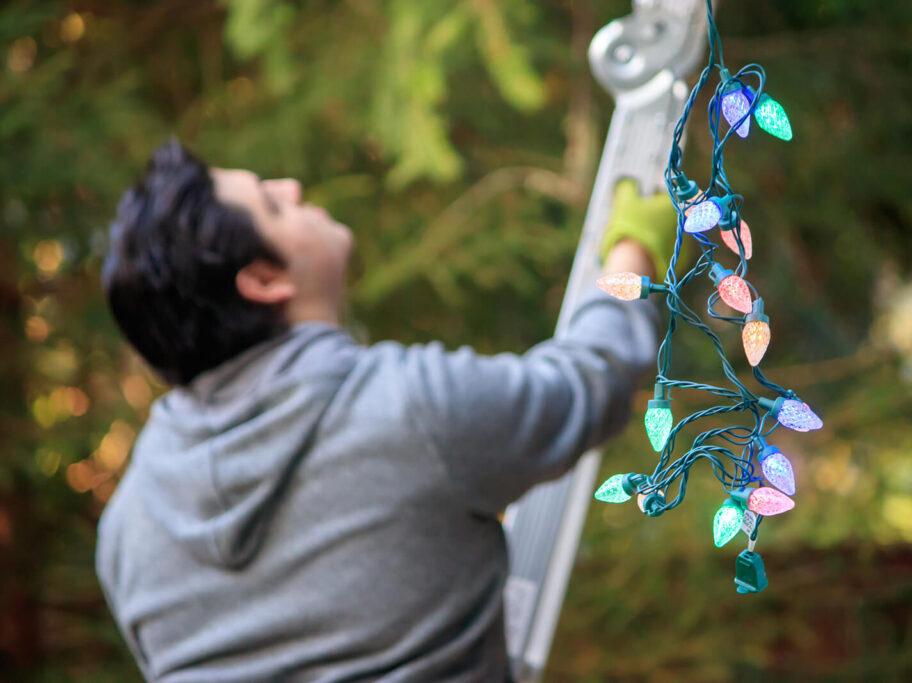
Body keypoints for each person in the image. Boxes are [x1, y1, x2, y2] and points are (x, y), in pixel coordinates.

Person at [95, 139, 678, 682]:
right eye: (273, 203)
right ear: (265, 280)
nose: (293, 187)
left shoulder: (126, 530)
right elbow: (592, 377)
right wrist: (633, 245)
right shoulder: (408, 408)